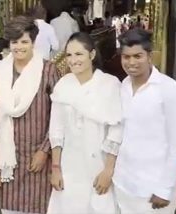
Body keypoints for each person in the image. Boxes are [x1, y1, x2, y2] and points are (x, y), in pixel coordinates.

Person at [113, 28, 176, 214]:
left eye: (138, 56)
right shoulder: (123, 86)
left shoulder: (169, 89)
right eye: (126, 57)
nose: (131, 63)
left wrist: (164, 189)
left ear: (149, 56)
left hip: (154, 189)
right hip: (123, 185)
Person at [0, 16, 60, 214]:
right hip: (8, 155)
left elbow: (58, 115)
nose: (19, 47)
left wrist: (44, 150)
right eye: (14, 42)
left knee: (37, 208)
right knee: (9, 209)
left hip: (38, 154)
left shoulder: (48, 70)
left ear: (33, 42)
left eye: (24, 42)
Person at [47, 32, 122, 213]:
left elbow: (116, 129)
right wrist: (56, 168)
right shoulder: (63, 85)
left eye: (79, 54)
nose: (73, 60)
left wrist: (108, 170)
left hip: (99, 164)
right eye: (69, 55)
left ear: (92, 54)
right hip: (70, 165)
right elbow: (56, 130)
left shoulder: (109, 84)